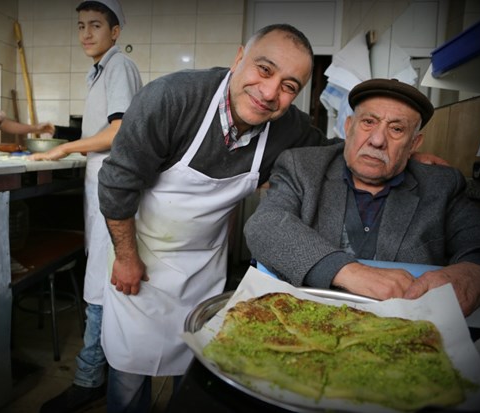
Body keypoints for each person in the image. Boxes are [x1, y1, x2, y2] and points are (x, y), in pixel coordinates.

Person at [96, 23, 335, 412]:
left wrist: (408, 161)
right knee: (128, 373)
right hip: (137, 256)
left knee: (194, 369)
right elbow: (116, 185)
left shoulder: (288, 128)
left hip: (203, 269)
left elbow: (330, 153)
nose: (271, 93)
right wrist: (125, 257)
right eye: (264, 69)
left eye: (290, 86)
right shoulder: (172, 99)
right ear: (239, 57)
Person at [244, 78, 480, 317]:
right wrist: (348, 271)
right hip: (306, 322)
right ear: (349, 126)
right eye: (368, 122)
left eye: (397, 129)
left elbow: (478, 242)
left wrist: (475, 272)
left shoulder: (441, 184)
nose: (378, 140)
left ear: (414, 143)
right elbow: (265, 225)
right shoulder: (303, 167)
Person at [34, 1, 142, 413]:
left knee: (99, 285)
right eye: (81, 25)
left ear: (115, 32)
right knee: (98, 280)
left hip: (112, 190)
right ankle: (101, 372)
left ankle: (89, 378)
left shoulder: (119, 67)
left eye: (96, 25)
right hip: (100, 187)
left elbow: (118, 131)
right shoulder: (98, 71)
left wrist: (65, 147)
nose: (86, 33)